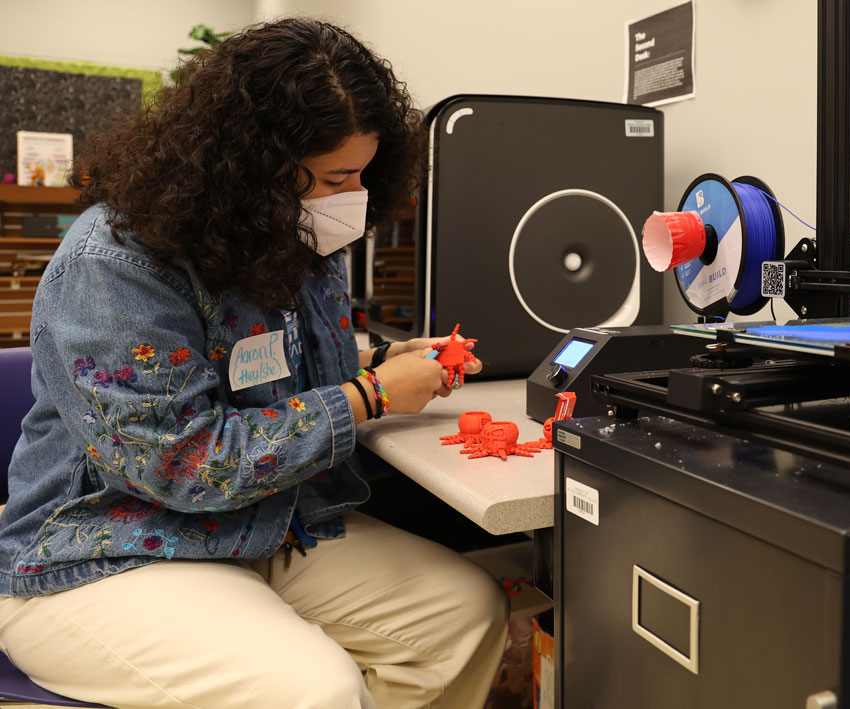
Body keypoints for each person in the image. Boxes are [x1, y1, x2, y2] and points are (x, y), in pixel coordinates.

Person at [0, 18, 507, 709]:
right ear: (250, 169)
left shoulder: (286, 239)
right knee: (314, 689)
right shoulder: (112, 265)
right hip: (105, 546)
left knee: (464, 617)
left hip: (254, 525)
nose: (353, 196)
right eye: (337, 177)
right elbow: (182, 460)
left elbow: (264, 367)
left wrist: (384, 360)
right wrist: (370, 394)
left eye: (362, 173)